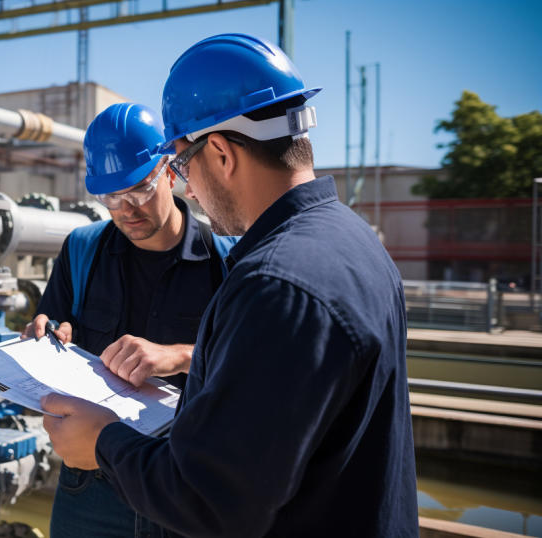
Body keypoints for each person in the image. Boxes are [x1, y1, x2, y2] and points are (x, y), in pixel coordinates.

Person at [41, 34, 419, 537]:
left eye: (181, 166)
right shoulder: (353, 242)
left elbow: (212, 501)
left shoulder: (277, 282)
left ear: (220, 152)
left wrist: (103, 442)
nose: (190, 188)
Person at [22, 102, 238, 537]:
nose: (126, 209)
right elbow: (52, 338)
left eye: (139, 190)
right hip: (92, 484)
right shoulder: (82, 251)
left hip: (185, 487)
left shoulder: (228, 261)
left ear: (171, 171)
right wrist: (43, 340)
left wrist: (179, 355)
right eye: (110, 197)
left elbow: (253, 367)